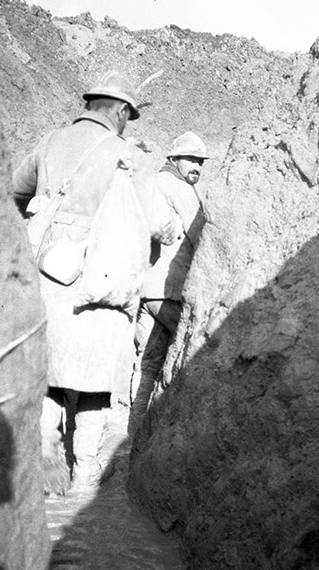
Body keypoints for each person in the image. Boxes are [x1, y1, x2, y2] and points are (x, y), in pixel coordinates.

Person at [12, 70, 177, 492]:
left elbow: (14, 192)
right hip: (100, 287)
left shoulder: (50, 142)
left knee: (47, 375)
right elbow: (159, 224)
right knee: (93, 385)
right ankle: (84, 476)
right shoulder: (128, 155)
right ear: (121, 111)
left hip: (45, 279)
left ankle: (41, 464)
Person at [131, 131, 209, 425]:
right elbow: (200, 233)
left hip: (146, 289)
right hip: (170, 290)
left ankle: (132, 434)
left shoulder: (153, 182)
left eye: (200, 161)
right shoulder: (178, 188)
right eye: (191, 159)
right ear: (173, 158)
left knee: (147, 362)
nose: (197, 167)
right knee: (187, 352)